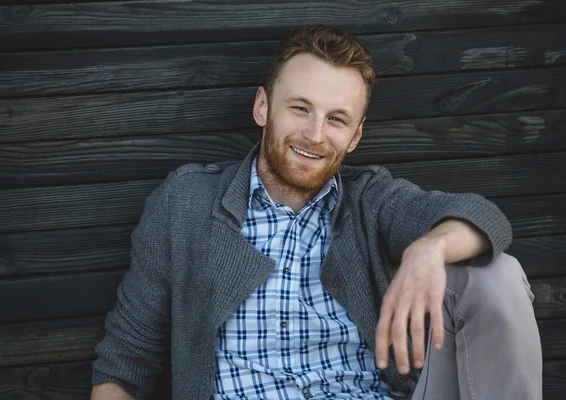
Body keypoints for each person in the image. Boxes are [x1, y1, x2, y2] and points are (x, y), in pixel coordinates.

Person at [90, 25, 542, 400]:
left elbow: (485, 218)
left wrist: (430, 247)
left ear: (356, 136)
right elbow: (124, 363)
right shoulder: (186, 202)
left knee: (494, 274)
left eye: (336, 119)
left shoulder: (370, 199)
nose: (315, 135)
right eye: (301, 108)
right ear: (263, 106)